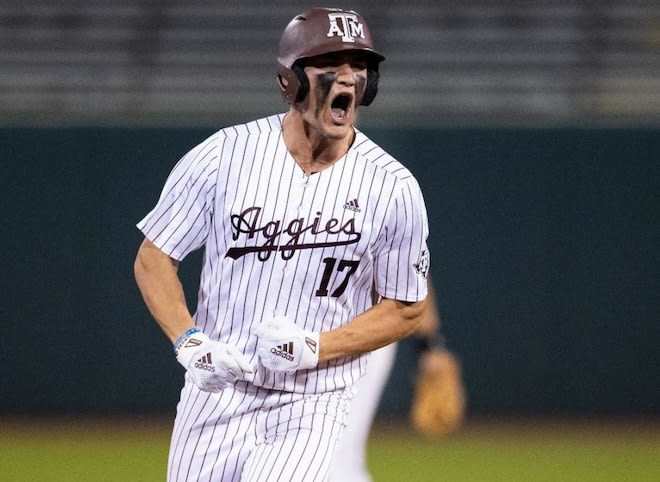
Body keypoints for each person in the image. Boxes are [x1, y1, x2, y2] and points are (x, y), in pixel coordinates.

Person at [134, 7, 430, 482]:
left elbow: (406, 307)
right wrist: (189, 343)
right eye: (330, 64)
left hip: (312, 401)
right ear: (290, 81)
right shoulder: (223, 156)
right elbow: (153, 258)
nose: (349, 78)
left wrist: (316, 347)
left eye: (359, 67)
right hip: (216, 395)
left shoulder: (392, 186)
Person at [329, 279, 466, 482]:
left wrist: (429, 345)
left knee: (340, 453)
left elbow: (414, 270)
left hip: (367, 333)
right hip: (299, 333)